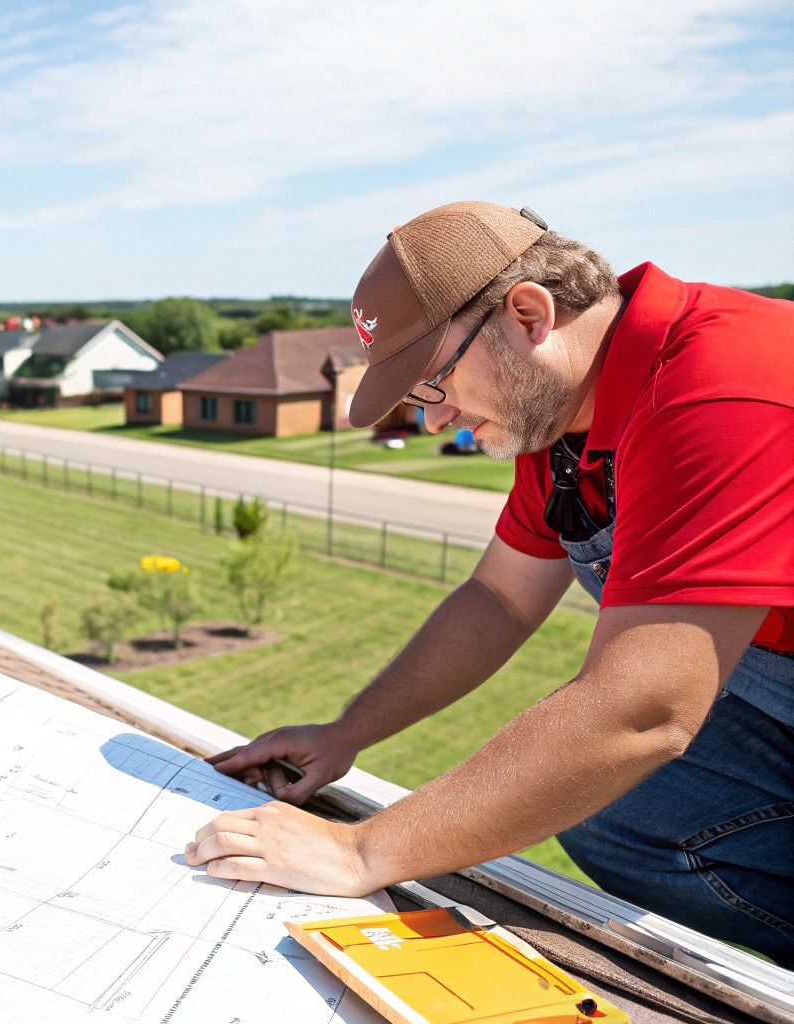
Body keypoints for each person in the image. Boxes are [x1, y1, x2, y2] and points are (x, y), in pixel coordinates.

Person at [186, 201, 794, 964]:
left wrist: (363, 853)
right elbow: (499, 599)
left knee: (599, 757)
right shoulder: (565, 411)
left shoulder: (724, 386)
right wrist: (349, 733)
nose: (433, 421)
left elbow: (644, 709)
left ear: (529, 314)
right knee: (607, 805)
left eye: (433, 383)